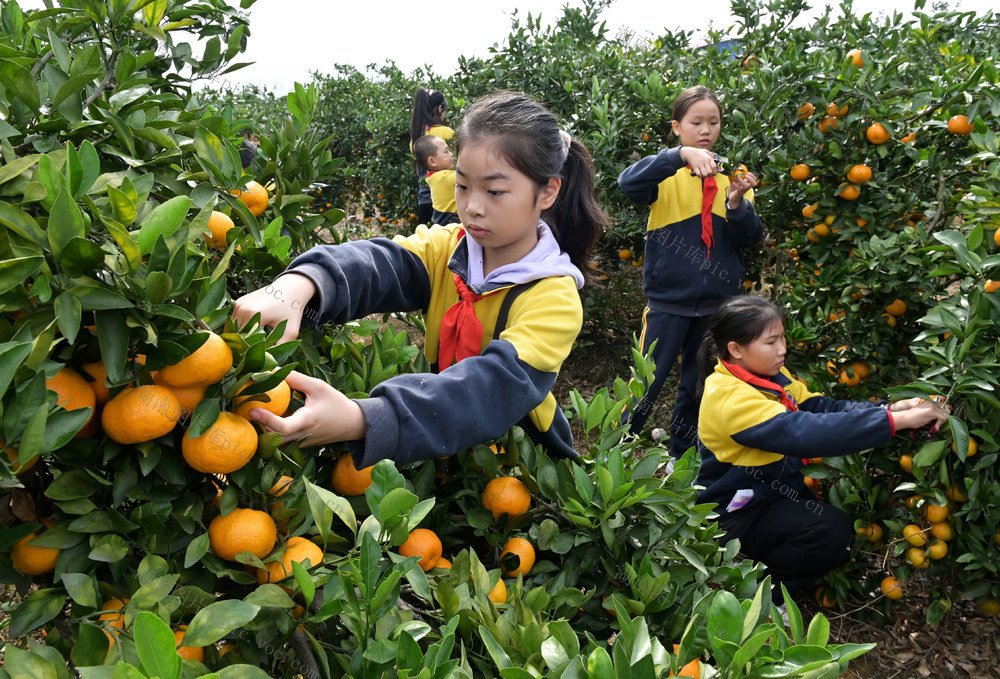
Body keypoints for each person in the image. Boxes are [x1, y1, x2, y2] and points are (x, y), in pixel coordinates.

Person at [232, 91, 607, 468]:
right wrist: (301, 284)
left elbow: (491, 390)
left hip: (520, 465)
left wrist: (365, 419)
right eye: (462, 186)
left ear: (547, 191)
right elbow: (380, 262)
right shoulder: (448, 249)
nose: (473, 207)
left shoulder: (553, 296)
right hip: (434, 443)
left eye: (495, 191)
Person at [695, 295, 949, 605]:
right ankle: (756, 596)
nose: (782, 349)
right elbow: (804, 432)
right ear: (735, 349)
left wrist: (890, 408)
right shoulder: (728, 398)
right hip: (733, 515)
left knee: (828, 529)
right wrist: (894, 422)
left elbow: (820, 408)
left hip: (771, 495)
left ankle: (758, 570)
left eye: (783, 338)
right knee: (832, 534)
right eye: (771, 341)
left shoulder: (770, 378)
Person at [618, 85, 764, 456]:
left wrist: (736, 204)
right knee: (645, 381)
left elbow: (750, 239)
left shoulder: (734, 179)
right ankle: (613, 451)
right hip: (668, 302)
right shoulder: (664, 175)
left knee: (698, 385)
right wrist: (678, 156)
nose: (706, 130)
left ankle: (682, 459)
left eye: (713, 122)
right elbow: (627, 183)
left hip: (717, 306)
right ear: (677, 127)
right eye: (696, 122)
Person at [410, 88, 454, 225]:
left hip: (424, 200)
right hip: (447, 203)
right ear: (440, 108)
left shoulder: (416, 138)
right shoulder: (446, 133)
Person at [412, 134, 459, 225]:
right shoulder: (443, 178)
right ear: (432, 161)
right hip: (451, 223)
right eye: (446, 152)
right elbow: (471, 176)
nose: (451, 154)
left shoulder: (433, 177)